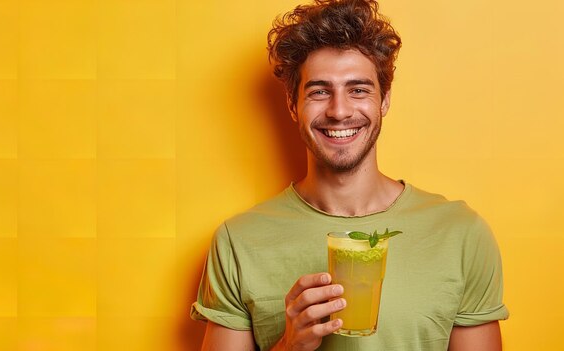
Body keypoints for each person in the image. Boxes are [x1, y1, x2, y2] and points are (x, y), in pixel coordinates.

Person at [190, 0, 509, 350]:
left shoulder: (460, 235)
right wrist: (289, 345)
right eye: (319, 91)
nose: (339, 111)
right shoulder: (238, 243)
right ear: (292, 104)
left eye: (358, 89)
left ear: (384, 100)